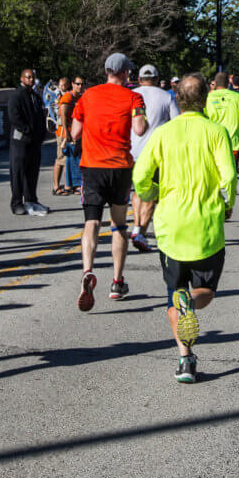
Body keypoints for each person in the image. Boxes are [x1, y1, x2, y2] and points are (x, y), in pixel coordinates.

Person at [133, 73, 238, 383]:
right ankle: (191, 303)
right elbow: (228, 177)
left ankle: (185, 360)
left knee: (172, 296)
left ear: (177, 99)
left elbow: (140, 175)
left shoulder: (163, 133)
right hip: (206, 228)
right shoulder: (216, 131)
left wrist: (151, 193)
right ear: (205, 98)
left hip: (170, 228)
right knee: (205, 291)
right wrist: (227, 204)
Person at [70, 54, 148, 308]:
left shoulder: (87, 96)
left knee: (91, 221)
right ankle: (116, 282)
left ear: (106, 71)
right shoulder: (134, 97)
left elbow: (75, 132)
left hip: (92, 166)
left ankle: (88, 270)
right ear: (125, 73)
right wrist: (142, 119)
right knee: (119, 225)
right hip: (120, 167)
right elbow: (139, 129)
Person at [130, 65, 177, 250]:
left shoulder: (131, 95)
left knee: (138, 191)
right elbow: (176, 123)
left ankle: (136, 227)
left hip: (132, 152)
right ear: (157, 79)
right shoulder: (167, 96)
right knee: (151, 195)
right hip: (156, 153)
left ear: (140, 79)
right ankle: (141, 232)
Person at [7, 68, 48, 217]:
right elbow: (13, 116)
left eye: (32, 77)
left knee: (32, 172)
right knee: (18, 172)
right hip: (20, 142)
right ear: (22, 79)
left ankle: (31, 200)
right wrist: (27, 129)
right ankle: (16, 203)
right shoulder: (16, 96)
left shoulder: (35, 97)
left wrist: (41, 133)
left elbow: (40, 116)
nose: (31, 80)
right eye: (28, 77)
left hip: (34, 142)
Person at [204, 73, 239, 171]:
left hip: (214, 139)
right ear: (229, 84)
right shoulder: (237, 97)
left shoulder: (208, 97)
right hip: (234, 140)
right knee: (232, 169)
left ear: (215, 84)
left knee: (216, 169)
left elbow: (203, 117)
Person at [53, 77, 85, 196]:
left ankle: (68, 185)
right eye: (77, 84)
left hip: (73, 134)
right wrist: (66, 132)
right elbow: (63, 114)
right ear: (72, 84)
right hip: (64, 134)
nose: (80, 86)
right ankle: (56, 186)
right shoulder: (68, 97)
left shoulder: (80, 97)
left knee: (70, 159)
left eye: (82, 84)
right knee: (61, 159)